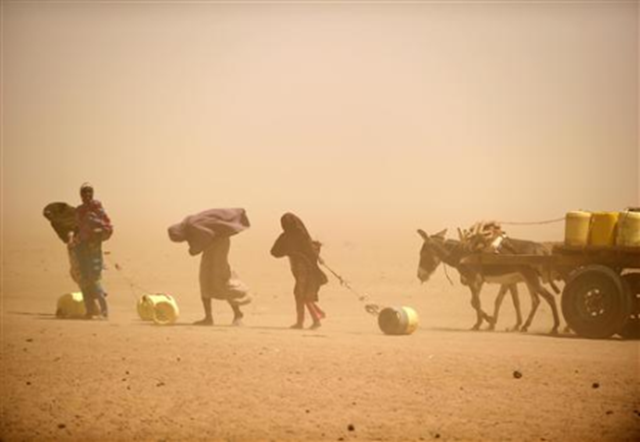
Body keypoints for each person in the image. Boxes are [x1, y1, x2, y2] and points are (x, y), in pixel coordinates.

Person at [168, 208, 252, 326]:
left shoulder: (192, 225)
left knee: (222, 278)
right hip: (211, 245)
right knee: (205, 279)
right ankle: (208, 317)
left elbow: (207, 235)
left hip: (219, 244)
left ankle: (238, 314)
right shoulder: (189, 224)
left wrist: (194, 249)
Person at [271, 213, 328, 329]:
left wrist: (289, 251)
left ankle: (308, 321)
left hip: (303, 270)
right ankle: (317, 315)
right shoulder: (301, 234)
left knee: (301, 295)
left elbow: (275, 252)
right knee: (303, 295)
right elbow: (310, 249)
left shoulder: (286, 236)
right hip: (304, 269)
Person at [70, 183, 113, 319]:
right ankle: (90, 311)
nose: (87, 195)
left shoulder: (97, 208)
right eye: (84, 192)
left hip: (94, 249)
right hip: (81, 249)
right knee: (83, 279)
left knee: (94, 278)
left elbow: (107, 227)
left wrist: (95, 229)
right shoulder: (79, 210)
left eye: (89, 192)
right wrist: (73, 240)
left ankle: (104, 311)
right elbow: (76, 228)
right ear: (81, 194)